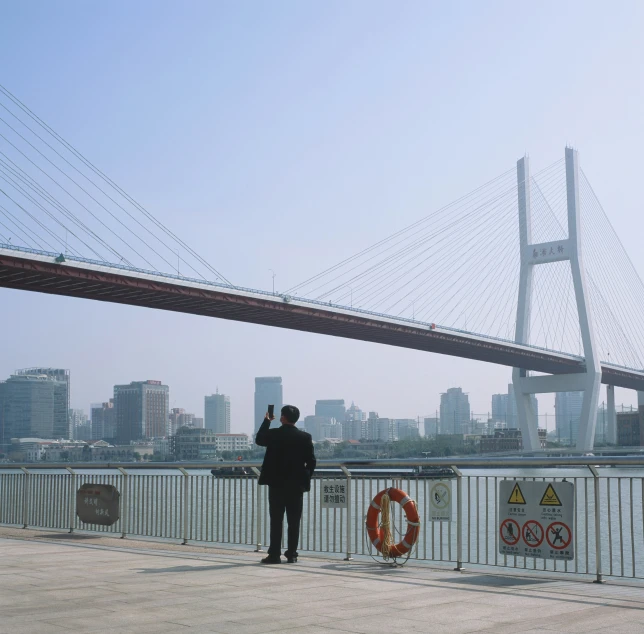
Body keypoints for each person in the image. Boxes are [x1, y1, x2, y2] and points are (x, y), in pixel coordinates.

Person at [255, 404, 316, 564]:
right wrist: (305, 477)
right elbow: (311, 461)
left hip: (276, 485)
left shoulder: (274, 434)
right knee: (294, 521)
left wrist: (267, 421)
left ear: (282, 418)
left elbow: (259, 439)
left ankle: (274, 554)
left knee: (276, 520)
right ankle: (292, 554)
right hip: (296, 486)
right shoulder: (305, 437)